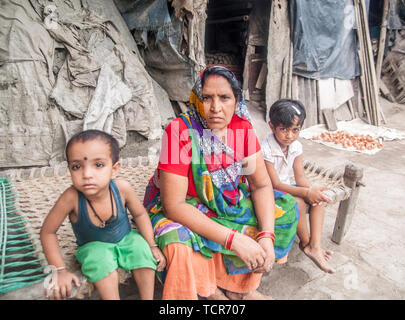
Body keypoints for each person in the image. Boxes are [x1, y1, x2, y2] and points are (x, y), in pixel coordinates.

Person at [143, 66, 299, 300]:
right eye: (207, 98)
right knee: (178, 241)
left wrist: (266, 236)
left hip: (226, 203)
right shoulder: (179, 131)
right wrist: (233, 239)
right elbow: (173, 205)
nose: (215, 108)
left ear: (236, 101)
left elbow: (260, 185)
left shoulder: (242, 129)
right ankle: (210, 290)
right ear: (197, 98)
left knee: (283, 210)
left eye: (224, 98)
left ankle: (239, 287)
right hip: (185, 206)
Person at [40, 129, 166, 300]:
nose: (87, 174)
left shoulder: (122, 189)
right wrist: (60, 270)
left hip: (126, 238)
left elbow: (140, 214)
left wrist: (151, 244)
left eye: (98, 165)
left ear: (114, 169)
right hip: (94, 246)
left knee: (142, 253)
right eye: (77, 167)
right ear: (69, 169)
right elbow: (48, 232)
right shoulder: (71, 198)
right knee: (101, 263)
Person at [261, 99, 335, 273]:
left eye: (295, 130)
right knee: (299, 203)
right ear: (272, 127)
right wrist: (304, 193)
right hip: (270, 191)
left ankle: (314, 246)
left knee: (317, 201)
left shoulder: (296, 146)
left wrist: (311, 191)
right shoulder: (265, 149)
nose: (290, 135)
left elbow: (300, 176)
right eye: (284, 129)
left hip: (287, 187)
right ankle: (305, 242)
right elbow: (275, 183)